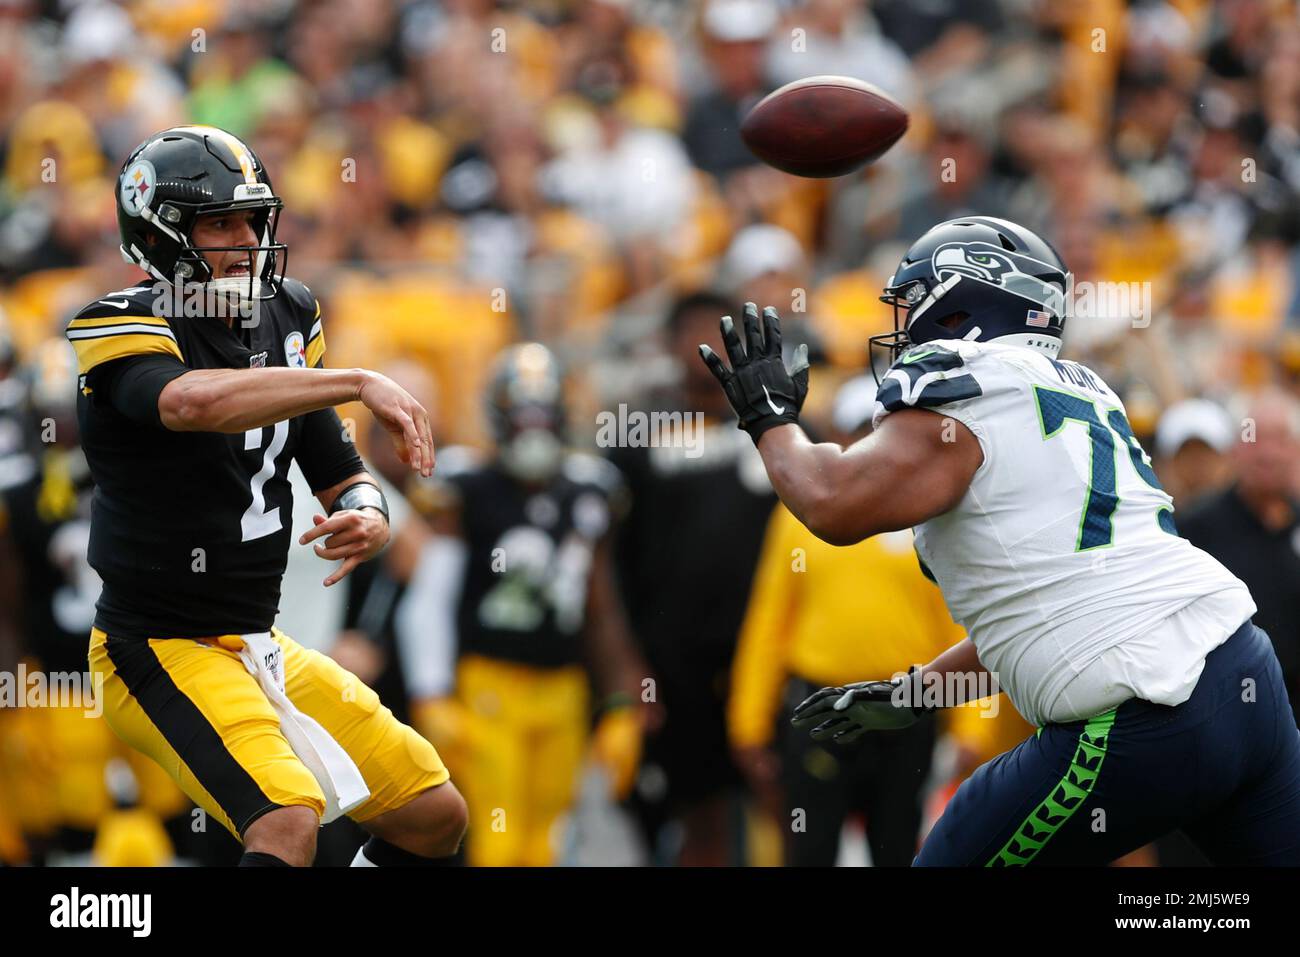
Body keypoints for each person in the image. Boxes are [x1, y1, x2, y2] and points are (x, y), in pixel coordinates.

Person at [699, 215, 1300, 865]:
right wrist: (920, 691)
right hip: (1245, 678)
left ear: (958, 306)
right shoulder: (1082, 388)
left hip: (1139, 712)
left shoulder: (971, 380)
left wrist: (769, 419)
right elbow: (1055, 607)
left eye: (913, 305)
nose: (901, 331)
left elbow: (830, 502)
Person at [66, 125, 465, 867]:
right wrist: (356, 379)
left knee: (434, 812)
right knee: (285, 821)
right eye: (222, 221)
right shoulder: (118, 321)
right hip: (156, 645)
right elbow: (191, 403)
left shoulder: (287, 315)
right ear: (161, 234)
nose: (247, 239)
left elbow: (335, 464)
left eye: (254, 219)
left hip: (260, 640)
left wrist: (368, 513)